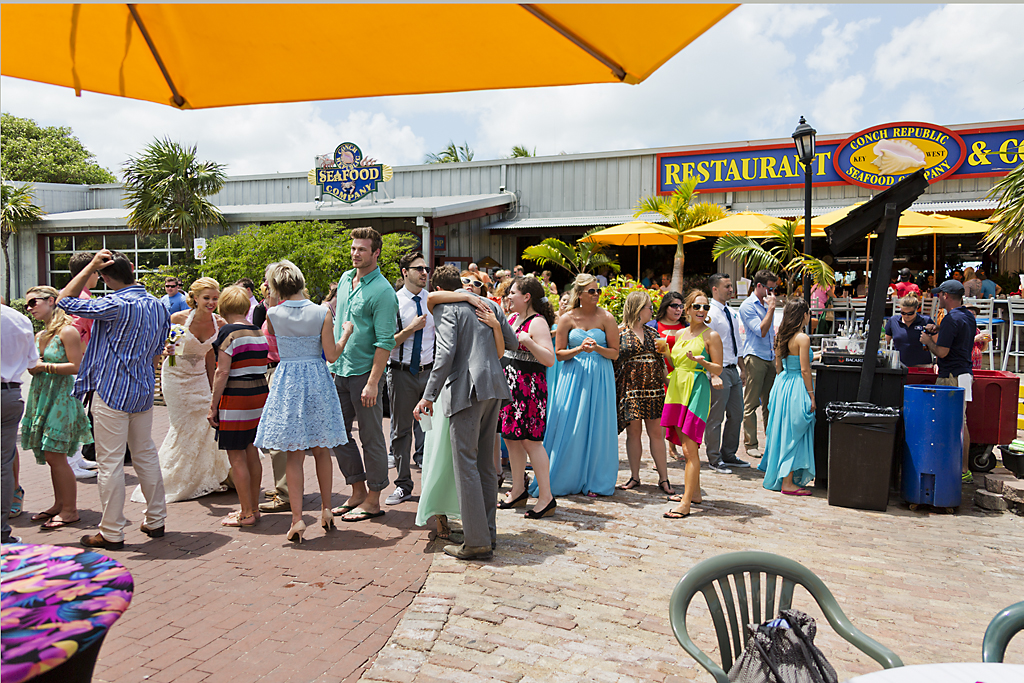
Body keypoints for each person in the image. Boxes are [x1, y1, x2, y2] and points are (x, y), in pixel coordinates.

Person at [56, 249, 169, 550]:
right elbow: (159, 349)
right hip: (142, 389)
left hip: (112, 390)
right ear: (132, 269)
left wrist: (89, 268)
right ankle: (156, 519)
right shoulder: (158, 305)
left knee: (110, 463)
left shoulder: (114, 303)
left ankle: (112, 531)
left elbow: (64, 300)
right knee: (145, 454)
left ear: (105, 277)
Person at [415, 265, 516, 560]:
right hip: (494, 386)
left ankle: (476, 541)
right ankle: (487, 533)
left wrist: (428, 395)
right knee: (485, 465)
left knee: (466, 464)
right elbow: (510, 343)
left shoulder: (447, 308)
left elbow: (444, 355)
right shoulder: (489, 306)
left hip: (467, 390)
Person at [255, 261, 353, 541]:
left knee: (294, 454)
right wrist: (346, 333)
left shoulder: (273, 314)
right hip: (316, 379)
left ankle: (297, 519)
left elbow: (273, 334)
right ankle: (326, 509)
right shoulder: (322, 311)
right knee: (322, 449)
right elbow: (332, 355)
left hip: (287, 379)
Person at [132, 277, 230, 504]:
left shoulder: (219, 323)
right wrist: (165, 350)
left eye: (215, 298)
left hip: (199, 377)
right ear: (195, 298)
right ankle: (174, 477)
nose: (211, 302)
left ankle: (206, 474)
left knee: (206, 423)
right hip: (176, 376)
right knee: (183, 425)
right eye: (207, 298)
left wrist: (211, 386)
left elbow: (210, 356)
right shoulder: (178, 318)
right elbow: (160, 343)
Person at [329, 227, 399, 522]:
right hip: (339, 369)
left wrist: (373, 383)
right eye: (353, 248)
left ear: (376, 253)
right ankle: (357, 490)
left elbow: (385, 341)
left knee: (372, 438)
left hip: (365, 374)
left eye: (362, 249)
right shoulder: (346, 279)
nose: (355, 253)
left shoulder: (383, 291)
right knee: (335, 434)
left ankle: (373, 498)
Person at [538, 273, 620, 498]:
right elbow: (559, 354)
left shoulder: (607, 318)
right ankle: (566, 476)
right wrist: (579, 350)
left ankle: (596, 479)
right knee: (571, 425)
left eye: (598, 291)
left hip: (600, 377)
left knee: (598, 425)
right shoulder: (567, 319)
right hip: (573, 377)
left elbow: (615, 353)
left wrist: (597, 349)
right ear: (580, 294)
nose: (596, 295)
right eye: (592, 291)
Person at [19, 286, 93, 530]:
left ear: (51, 301)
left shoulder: (68, 331)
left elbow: (76, 366)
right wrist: (35, 366)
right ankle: (59, 503)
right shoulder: (41, 334)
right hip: (43, 395)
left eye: (33, 303)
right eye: (27, 305)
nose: (29, 308)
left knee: (55, 454)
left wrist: (44, 367)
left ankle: (70, 510)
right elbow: (32, 366)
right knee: (51, 456)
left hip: (61, 397)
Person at [208, 285, 270, 527]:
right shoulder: (257, 330)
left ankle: (245, 513)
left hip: (236, 395)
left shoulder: (228, 333)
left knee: (237, 457)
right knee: (252, 452)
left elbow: (222, 371)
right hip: (258, 392)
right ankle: (253, 506)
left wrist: (213, 406)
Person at [660, 290, 723, 518]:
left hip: (696, 389)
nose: (702, 311)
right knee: (687, 448)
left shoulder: (711, 335)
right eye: (697, 306)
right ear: (687, 309)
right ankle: (694, 493)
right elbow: (676, 363)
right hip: (677, 389)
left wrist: (703, 362)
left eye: (705, 307)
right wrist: (667, 352)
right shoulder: (680, 334)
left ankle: (685, 503)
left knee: (689, 449)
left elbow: (718, 368)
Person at [498, 276, 557, 518]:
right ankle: (519, 489)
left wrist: (528, 341)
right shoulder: (513, 318)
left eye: (513, 292)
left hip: (529, 390)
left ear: (527, 297)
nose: (509, 296)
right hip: (511, 388)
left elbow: (549, 359)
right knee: (511, 439)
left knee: (531, 442)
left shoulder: (537, 323)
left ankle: (546, 497)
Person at [385, 251, 434, 506]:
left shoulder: (433, 300)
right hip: (402, 373)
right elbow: (384, 343)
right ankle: (403, 485)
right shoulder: (393, 302)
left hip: (429, 374)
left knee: (428, 431)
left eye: (425, 268)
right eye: (418, 269)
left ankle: (431, 488)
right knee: (401, 432)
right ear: (405, 272)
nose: (424, 272)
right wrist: (410, 329)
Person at [614, 291, 673, 494]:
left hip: (654, 390)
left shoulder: (653, 334)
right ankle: (635, 476)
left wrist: (671, 384)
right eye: (649, 307)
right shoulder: (619, 333)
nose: (652, 311)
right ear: (638, 309)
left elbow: (662, 364)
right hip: (630, 391)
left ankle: (664, 478)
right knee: (634, 433)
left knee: (657, 433)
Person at [920, 279, 977, 483]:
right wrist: (938, 331)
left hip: (951, 375)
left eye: (939, 295)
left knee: (950, 422)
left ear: (946, 296)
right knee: (961, 422)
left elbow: (943, 352)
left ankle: (957, 469)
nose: (937, 298)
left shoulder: (951, 319)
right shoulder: (967, 316)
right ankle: (962, 468)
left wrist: (928, 342)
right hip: (964, 372)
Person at [758, 299, 816, 495]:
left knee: (783, 432)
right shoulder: (803, 338)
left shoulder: (781, 335)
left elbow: (779, 366)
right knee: (795, 434)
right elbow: (805, 370)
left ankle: (783, 477)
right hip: (797, 385)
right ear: (803, 315)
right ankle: (789, 483)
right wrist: (812, 395)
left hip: (782, 385)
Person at [2, 302, 39, 544]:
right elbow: (32, 363)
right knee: (3, 464)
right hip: (9, 394)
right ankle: (2, 531)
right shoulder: (18, 319)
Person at [705, 274, 749, 473]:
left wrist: (743, 368)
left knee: (737, 414)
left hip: (733, 369)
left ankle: (728, 454)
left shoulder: (731, 312)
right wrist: (713, 373)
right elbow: (706, 345)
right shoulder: (710, 313)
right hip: (719, 369)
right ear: (715, 289)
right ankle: (714, 458)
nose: (731, 289)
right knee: (716, 416)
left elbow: (736, 343)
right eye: (727, 286)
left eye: (731, 286)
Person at [738, 269, 778, 459]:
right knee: (751, 403)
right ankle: (751, 443)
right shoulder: (748, 306)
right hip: (755, 357)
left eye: (774, 288)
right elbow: (761, 331)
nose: (773, 292)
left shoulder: (765, 302)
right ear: (759, 286)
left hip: (770, 357)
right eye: (770, 288)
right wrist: (771, 309)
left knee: (770, 404)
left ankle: (772, 442)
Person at [655, 291, 686, 459]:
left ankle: (675, 447)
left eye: (681, 306)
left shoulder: (686, 327)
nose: (678, 309)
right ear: (665, 307)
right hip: (662, 374)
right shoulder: (655, 325)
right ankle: (663, 451)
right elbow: (657, 352)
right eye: (674, 306)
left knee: (679, 412)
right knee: (663, 414)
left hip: (682, 374)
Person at [884, 295, 934, 369]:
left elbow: (938, 343)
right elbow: (884, 343)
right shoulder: (893, 321)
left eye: (910, 313)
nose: (906, 316)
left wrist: (937, 363)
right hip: (899, 366)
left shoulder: (925, 321)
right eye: (903, 313)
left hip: (922, 366)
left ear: (916, 309)